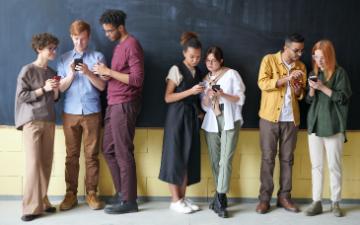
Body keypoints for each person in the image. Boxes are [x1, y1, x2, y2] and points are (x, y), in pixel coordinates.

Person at [93, 9, 144, 214]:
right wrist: (106, 75)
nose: (107, 35)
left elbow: (137, 80)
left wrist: (109, 72)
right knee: (108, 149)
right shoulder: (119, 46)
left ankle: (129, 201)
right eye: (105, 31)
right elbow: (120, 75)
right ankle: (123, 192)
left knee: (123, 151)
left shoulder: (132, 45)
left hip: (124, 104)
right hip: (113, 103)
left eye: (109, 31)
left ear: (120, 27)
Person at [57, 20, 106, 211]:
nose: (80, 43)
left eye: (83, 39)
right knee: (71, 155)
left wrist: (87, 73)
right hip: (70, 112)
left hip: (93, 112)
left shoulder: (98, 57)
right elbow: (60, 88)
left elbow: (102, 86)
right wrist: (70, 74)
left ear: (89, 37)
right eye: (76, 39)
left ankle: (92, 194)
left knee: (92, 155)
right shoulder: (63, 58)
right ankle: (71, 194)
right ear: (71, 37)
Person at [256, 33, 307, 214]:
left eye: (301, 50)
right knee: (268, 159)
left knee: (287, 160)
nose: (299, 54)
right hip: (269, 118)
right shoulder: (269, 60)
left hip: (291, 120)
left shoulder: (301, 66)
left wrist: (297, 88)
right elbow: (262, 83)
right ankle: (264, 200)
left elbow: (300, 94)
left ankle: (284, 197)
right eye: (296, 50)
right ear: (285, 47)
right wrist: (286, 79)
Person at [15, 33, 60, 221]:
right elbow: (22, 96)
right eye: (50, 48)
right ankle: (29, 208)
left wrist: (56, 90)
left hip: (49, 120)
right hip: (32, 121)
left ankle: (43, 201)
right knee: (34, 164)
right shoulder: (27, 70)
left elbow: (55, 98)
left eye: (54, 48)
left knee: (46, 163)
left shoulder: (51, 72)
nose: (54, 51)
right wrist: (44, 89)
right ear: (39, 49)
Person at [304, 40, 352, 217]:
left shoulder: (340, 74)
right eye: (316, 58)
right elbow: (309, 101)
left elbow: (343, 98)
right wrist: (311, 90)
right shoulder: (313, 73)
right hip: (315, 125)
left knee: (334, 166)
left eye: (322, 58)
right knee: (316, 166)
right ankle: (316, 202)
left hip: (333, 126)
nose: (319, 61)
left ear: (330, 56)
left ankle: (335, 203)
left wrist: (322, 87)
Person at [158, 32, 204, 214]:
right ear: (184, 53)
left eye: (198, 57)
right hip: (176, 117)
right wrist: (191, 91)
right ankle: (174, 200)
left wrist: (200, 112)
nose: (195, 59)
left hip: (191, 117)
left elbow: (197, 97)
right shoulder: (176, 69)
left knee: (188, 156)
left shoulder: (199, 72)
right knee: (175, 157)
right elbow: (168, 97)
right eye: (192, 56)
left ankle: (182, 199)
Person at [200, 46, 246, 218]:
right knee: (214, 160)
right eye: (207, 60)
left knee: (225, 160)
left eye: (214, 60)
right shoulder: (204, 80)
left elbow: (240, 98)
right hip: (211, 121)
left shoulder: (231, 74)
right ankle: (221, 198)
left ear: (221, 61)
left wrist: (223, 94)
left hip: (229, 119)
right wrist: (208, 97)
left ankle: (219, 198)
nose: (210, 64)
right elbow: (204, 106)